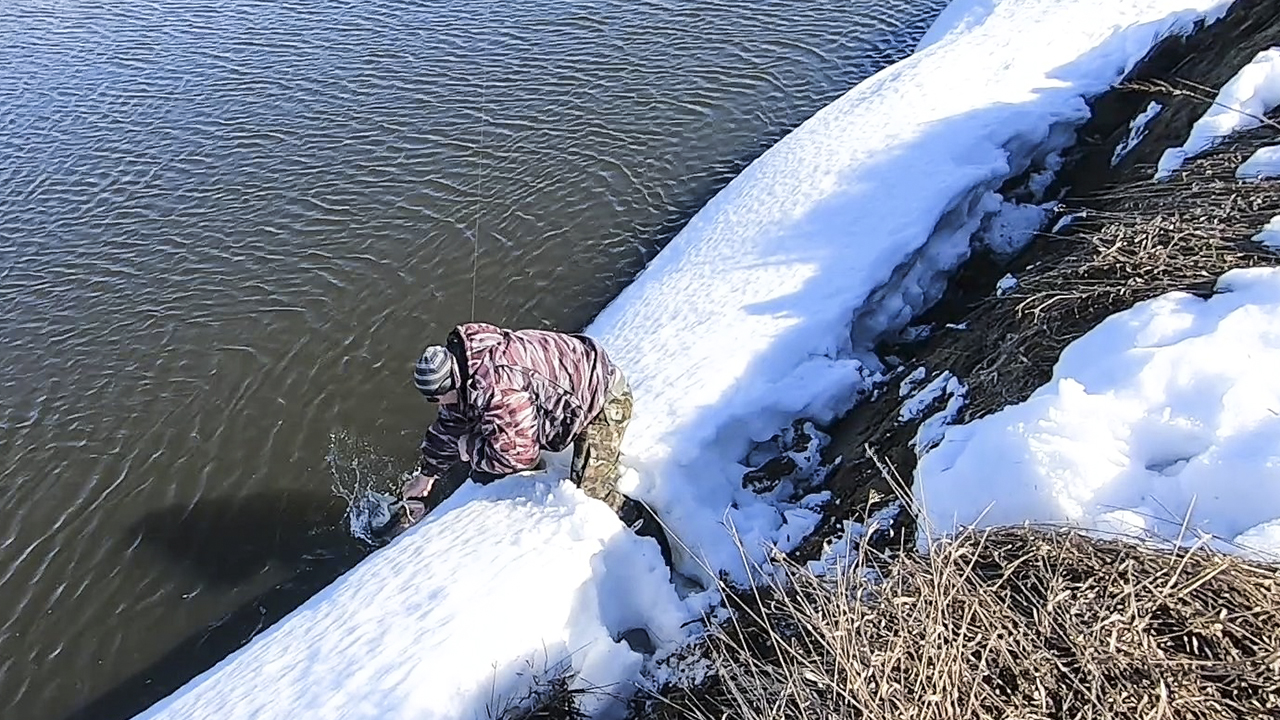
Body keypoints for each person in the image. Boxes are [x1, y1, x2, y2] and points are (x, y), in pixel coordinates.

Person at [397, 322, 664, 553]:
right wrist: (427, 474)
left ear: (451, 381)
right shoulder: (468, 362)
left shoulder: (498, 389)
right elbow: (451, 422)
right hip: (568, 385)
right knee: (480, 435)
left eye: (435, 397)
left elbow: (520, 454)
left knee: (592, 492)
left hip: (602, 400)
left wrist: (472, 448)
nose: (435, 404)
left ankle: (646, 530)